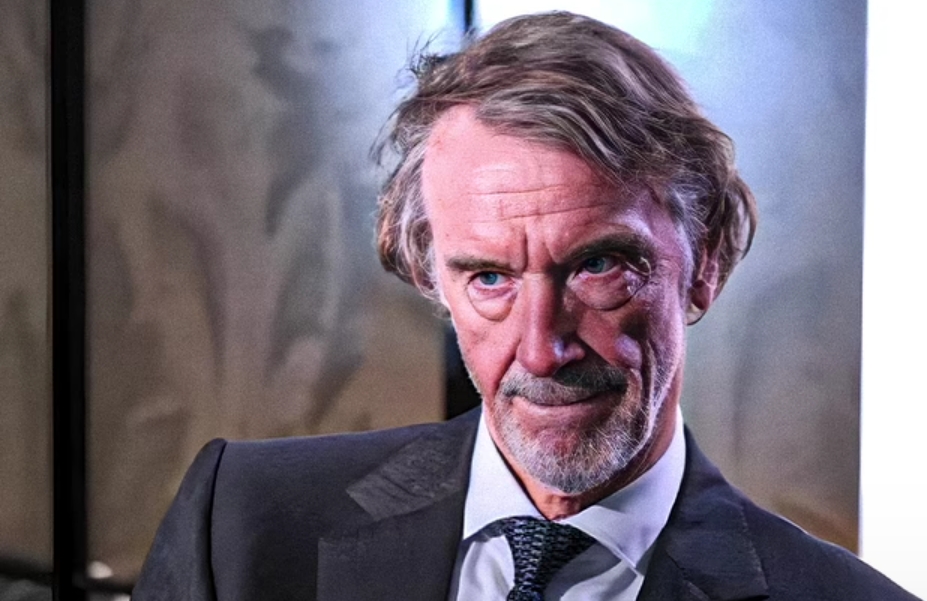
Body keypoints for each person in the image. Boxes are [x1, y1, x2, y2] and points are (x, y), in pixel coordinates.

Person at [132, 11, 919, 601]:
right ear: (431, 276)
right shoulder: (241, 529)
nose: (541, 348)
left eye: (598, 266)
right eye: (489, 278)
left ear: (703, 261)